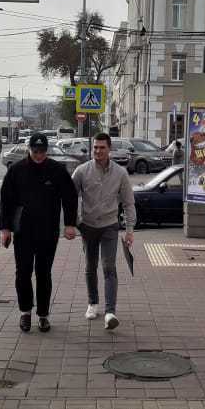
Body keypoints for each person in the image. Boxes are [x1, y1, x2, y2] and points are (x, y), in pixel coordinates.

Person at [0, 132, 78, 333]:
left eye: (42, 151)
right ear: (29, 150)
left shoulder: (56, 170)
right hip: (23, 231)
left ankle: (43, 315)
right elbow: (6, 201)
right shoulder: (16, 170)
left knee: (43, 273)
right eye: (36, 151)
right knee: (23, 272)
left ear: (46, 150)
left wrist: (70, 224)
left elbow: (70, 197)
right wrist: (5, 229)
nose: (39, 155)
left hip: (48, 231)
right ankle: (25, 312)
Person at [71, 133, 136, 331]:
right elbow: (70, 198)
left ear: (110, 149)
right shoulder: (82, 171)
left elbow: (129, 202)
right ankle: (92, 303)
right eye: (95, 147)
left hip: (109, 226)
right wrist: (74, 223)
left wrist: (130, 230)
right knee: (90, 266)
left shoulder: (120, 173)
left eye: (102, 148)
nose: (98, 151)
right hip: (88, 226)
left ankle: (110, 312)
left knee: (109, 267)